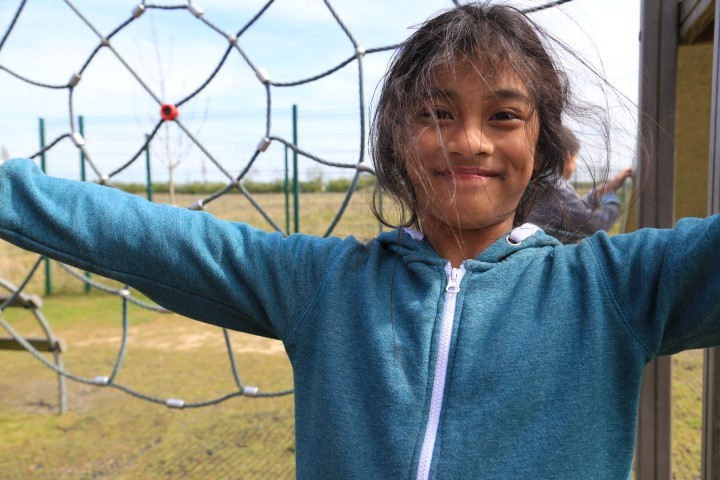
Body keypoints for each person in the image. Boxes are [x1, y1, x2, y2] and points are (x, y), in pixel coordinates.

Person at [0, 3, 718, 478]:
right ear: (396, 137)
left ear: (542, 143)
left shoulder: (615, 288)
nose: (469, 140)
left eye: (504, 115)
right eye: (436, 112)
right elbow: (146, 238)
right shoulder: (325, 286)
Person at [525, 126, 635, 243]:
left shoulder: (538, 183)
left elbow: (575, 211)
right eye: (575, 159)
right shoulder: (556, 189)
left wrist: (601, 191)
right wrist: (611, 199)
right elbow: (595, 225)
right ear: (568, 156)